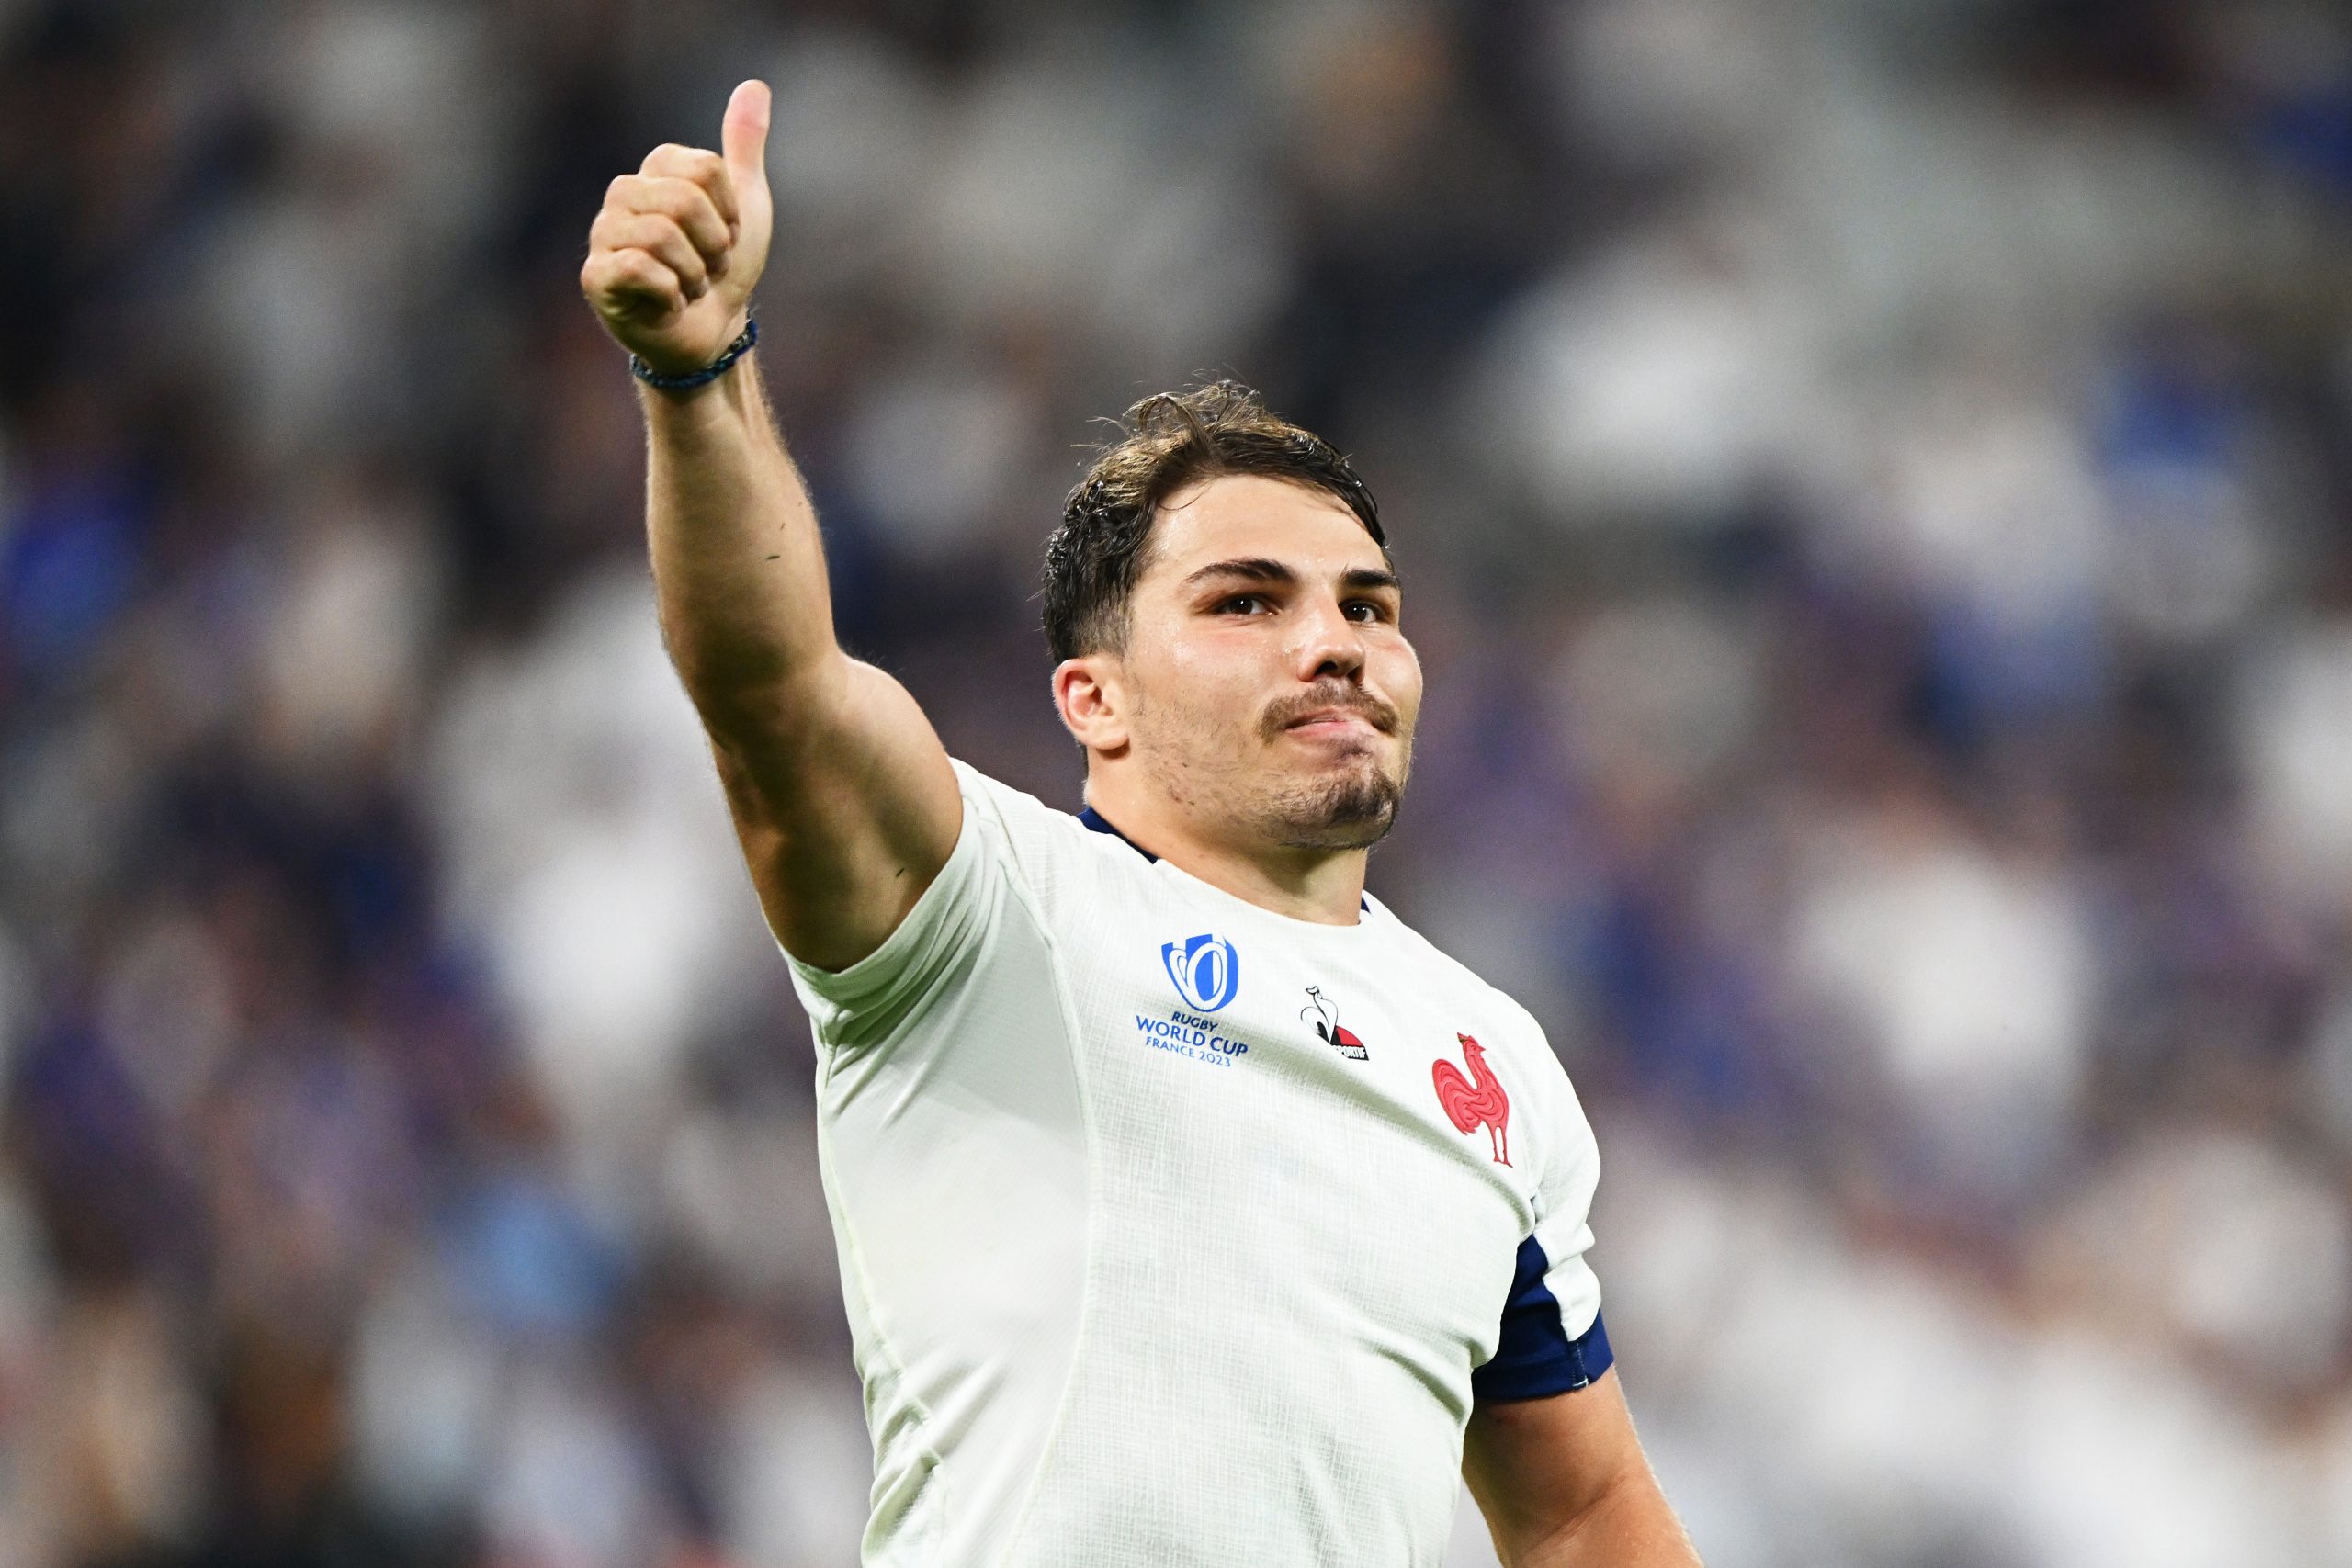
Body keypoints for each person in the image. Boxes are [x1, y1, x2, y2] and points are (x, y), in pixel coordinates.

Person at [580, 79, 1703, 1568]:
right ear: (1093, 699)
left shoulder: (1488, 1062)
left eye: (1369, 606)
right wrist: (699, 372)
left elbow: (1580, 1513)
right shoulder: (993, 916)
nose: (1338, 642)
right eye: (1247, 600)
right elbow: (775, 693)